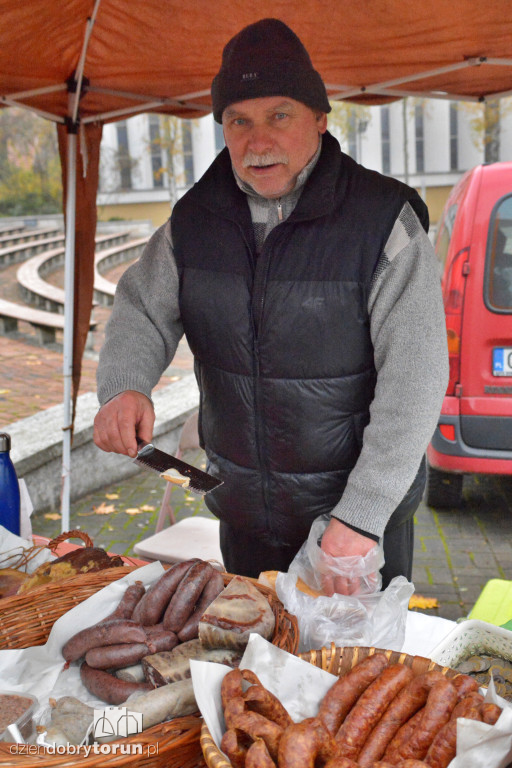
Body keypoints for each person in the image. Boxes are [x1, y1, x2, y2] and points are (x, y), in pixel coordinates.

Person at [93, 18, 449, 595]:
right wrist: (124, 384)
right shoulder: (194, 220)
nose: (258, 142)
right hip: (243, 517)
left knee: (353, 675)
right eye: (239, 121)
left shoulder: (384, 221)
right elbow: (141, 306)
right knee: (252, 667)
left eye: (279, 115)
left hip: (353, 530)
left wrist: (360, 515)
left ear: (320, 119)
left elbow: (417, 376)